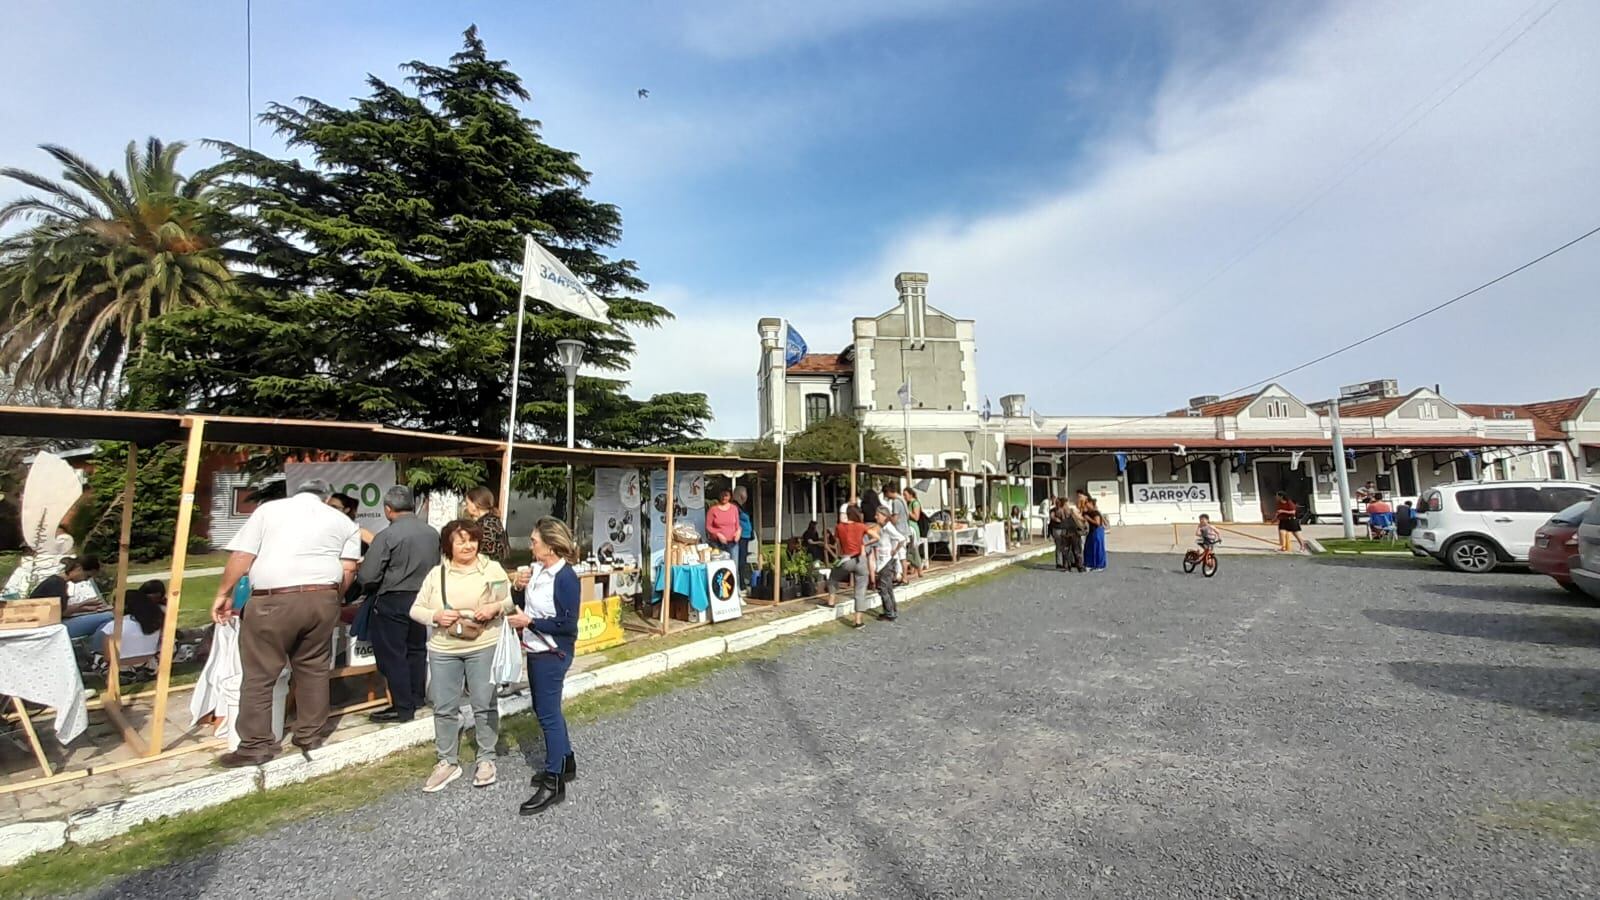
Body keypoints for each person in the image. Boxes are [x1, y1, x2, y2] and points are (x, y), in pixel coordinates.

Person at [211, 479, 361, 768]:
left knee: (259, 674)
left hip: (273, 600)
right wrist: (334, 597)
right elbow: (348, 568)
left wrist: (223, 593)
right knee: (314, 668)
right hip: (323, 596)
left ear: (297, 492)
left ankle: (256, 745)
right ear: (326, 497)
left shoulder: (269, 511)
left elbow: (243, 555)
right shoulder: (342, 521)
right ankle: (310, 735)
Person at [408, 519, 512, 792]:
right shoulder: (436, 575)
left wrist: (493, 609)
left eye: (472, 540)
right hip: (444, 648)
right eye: (460, 541)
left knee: (483, 702)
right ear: (448, 546)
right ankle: (446, 761)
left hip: (483, 644)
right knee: (444, 706)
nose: (468, 546)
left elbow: (508, 601)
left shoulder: (490, 569)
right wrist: (436, 616)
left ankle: (487, 758)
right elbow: (415, 610)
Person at [510, 517, 582, 815]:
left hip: (553, 653)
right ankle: (565, 761)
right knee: (546, 710)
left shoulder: (566, 578)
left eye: (534, 541)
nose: (530, 545)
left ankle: (553, 782)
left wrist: (531, 622)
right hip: (536, 648)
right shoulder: (537, 569)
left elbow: (567, 623)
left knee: (547, 715)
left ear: (551, 547)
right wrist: (517, 587)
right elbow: (523, 604)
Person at [359, 486, 441, 724]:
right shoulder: (431, 533)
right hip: (423, 598)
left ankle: (402, 707)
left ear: (387, 509)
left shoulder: (387, 535)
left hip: (393, 598)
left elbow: (368, 576)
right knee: (416, 649)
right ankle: (415, 698)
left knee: (393, 655)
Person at [31, 556, 108, 640]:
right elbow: (58, 613)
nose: (85, 580)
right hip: (50, 628)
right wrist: (81, 606)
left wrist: (85, 606)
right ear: (78, 568)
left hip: (49, 624)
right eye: (87, 576)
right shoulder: (56, 584)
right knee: (109, 617)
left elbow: (59, 609)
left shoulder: (58, 582)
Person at [93, 580, 166, 663]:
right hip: (150, 663)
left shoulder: (111, 627)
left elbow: (108, 658)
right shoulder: (155, 623)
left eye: (114, 605)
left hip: (121, 667)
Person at [825, 505, 871, 621]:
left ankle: (831, 601)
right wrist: (865, 544)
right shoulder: (861, 526)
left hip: (847, 559)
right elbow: (876, 536)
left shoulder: (839, 527)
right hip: (860, 559)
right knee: (860, 590)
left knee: (833, 577)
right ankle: (858, 620)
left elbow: (837, 543)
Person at [865, 506, 906, 622]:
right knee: (888, 588)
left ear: (883, 516)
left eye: (877, 515)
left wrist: (895, 550)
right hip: (884, 561)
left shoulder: (888, 527)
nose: (875, 517)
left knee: (883, 588)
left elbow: (901, 538)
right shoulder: (883, 527)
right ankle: (892, 610)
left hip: (886, 561)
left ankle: (889, 612)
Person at [883, 484, 921, 581]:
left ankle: (897, 576)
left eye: (885, 494)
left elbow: (895, 519)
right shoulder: (902, 500)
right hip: (905, 531)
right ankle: (904, 577)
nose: (886, 497)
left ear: (888, 492)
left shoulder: (896, 502)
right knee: (903, 555)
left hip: (898, 532)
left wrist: (887, 517)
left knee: (896, 555)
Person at [464, 486, 509, 562]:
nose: (466, 507)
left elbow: (484, 555)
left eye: (467, 503)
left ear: (476, 504)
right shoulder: (492, 521)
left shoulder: (488, 525)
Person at [706, 489, 741, 558]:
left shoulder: (734, 508)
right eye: (722, 495)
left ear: (730, 496)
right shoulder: (713, 510)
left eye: (726, 495)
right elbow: (708, 527)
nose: (724, 497)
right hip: (717, 543)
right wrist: (717, 534)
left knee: (733, 566)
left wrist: (738, 532)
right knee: (720, 566)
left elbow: (737, 525)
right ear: (719, 496)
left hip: (732, 543)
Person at [1055, 498, 1086, 572]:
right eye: (1067, 503)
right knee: (1072, 550)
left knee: (1070, 550)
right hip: (1069, 532)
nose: (1068, 505)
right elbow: (1078, 518)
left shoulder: (1064, 510)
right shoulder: (1065, 511)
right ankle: (1076, 566)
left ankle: (1071, 566)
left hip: (1069, 532)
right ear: (1065, 503)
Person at [734, 486, 754, 588]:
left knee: (743, 560)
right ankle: (740, 583)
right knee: (741, 561)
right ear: (742, 495)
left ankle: (742, 582)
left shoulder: (741, 506)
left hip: (745, 537)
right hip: (740, 537)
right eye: (745, 494)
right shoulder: (735, 507)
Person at [1082, 497, 1108, 571]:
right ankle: (1090, 564)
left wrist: (1089, 519)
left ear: (1091, 503)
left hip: (1097, 530)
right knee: (1089, 547)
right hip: (1091, 531)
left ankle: (1099, 565)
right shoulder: (1087, 512)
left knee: (1097, 547)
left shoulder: (1095, 513)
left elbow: (1097, 523)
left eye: (1087, 503)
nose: (1086, 505)